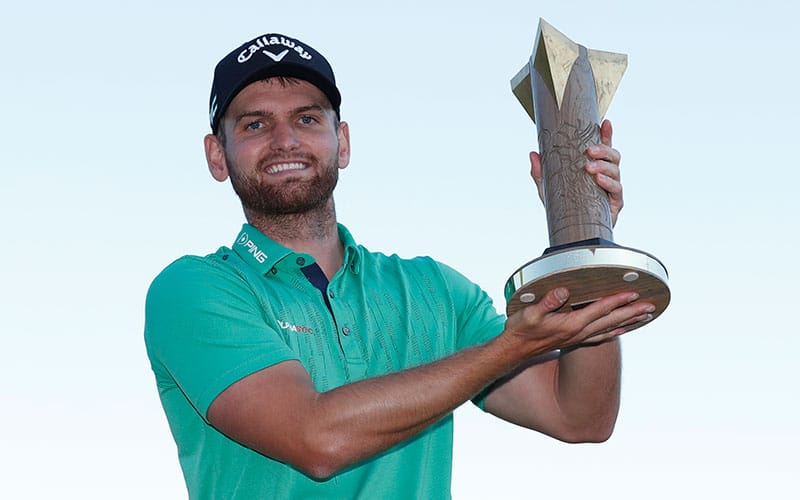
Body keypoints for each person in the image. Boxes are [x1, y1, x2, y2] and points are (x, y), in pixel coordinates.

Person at [144, 33, 655, 499]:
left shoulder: (431, 290)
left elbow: (579, 415)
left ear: (341, 141)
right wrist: (510, 347)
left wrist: (585, 243)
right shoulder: (193, 290)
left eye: (307, 118)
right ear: (217, 155)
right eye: (256, 124)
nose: (286, 140)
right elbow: (315, 438)